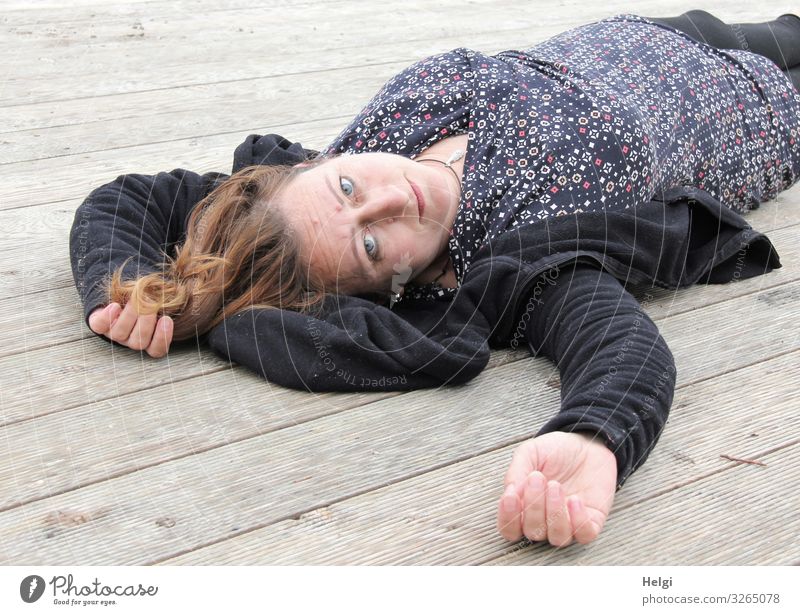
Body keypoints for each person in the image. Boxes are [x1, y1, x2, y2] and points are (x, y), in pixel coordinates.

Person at [70, 11, 800, 549]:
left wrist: (125, 282)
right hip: (759, 112)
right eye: (370, 242)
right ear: (393, 284)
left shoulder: (358, 145)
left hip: (654, 36)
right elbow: (621, 348)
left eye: (350, 187)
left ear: (320, 162)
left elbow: (133, 197)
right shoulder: (515, 259)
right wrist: (594, 436)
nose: (392, 199)